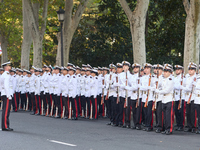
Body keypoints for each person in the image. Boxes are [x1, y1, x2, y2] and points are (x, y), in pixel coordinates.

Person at [156, 64, 174, 135]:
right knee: (165, 115)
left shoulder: (170, 80)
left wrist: (159, 91)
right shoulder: (163, 80)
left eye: (166, 71)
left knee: (168, 115)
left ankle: (169, 129)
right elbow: (159, 86)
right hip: (163, 99)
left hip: (169, 99)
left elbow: (167, 90)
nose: (165, 73)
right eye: (164, 71)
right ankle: (165, 128)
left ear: (170, 73)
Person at [181, 62, 197, 133]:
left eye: (192, 69)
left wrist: (182, 87)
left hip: (193, 96)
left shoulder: (196, 78)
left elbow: (189, 88)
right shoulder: (187, 77)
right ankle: (189, 126)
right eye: (189, 69)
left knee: (193, 113)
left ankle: (193, 126)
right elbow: (184, 85)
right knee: (188, 113)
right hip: (187, 97)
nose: (190, 70)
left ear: (195, 70)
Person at [140, 63, 155, 131]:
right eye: (145, 68)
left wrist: (150, 88)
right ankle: (146, 124)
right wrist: (146, 88)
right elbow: (140, 87)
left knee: (149, 112)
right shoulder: (142, 78)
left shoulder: (153, 77)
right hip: (144, 96)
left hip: (150, 96)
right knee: (145, 112)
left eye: (147, 68)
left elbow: (154, 87)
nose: (145, 70)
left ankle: (149, 125)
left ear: (150, 69)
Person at [1, 61, 13, 131]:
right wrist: (8, 95)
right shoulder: (7, 75)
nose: (10, 67)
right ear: (7, 67)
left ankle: (4, 125)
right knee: (6, 111)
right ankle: (5, 126)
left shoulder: (3, 75)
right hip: (7, 94)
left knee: (5, 110)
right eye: (9, 66)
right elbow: (6, 86)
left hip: (4, 93)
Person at [173, 65, 185, 131]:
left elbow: (180, 87)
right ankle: (178, 123)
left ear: (181, 71)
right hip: (176, 96)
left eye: (178, 70)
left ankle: (181, 125)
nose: (177, 71)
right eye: (176, 70)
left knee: (181, 112)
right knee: (177, 112)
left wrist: (177, 86)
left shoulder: (183, 78)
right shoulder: (175, 78)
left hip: (181, 96)